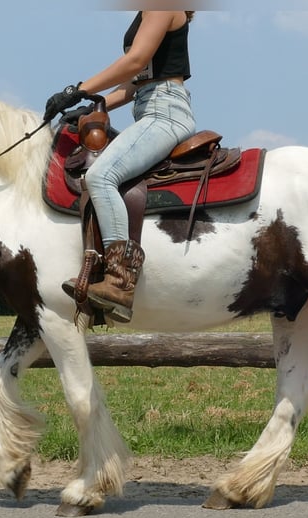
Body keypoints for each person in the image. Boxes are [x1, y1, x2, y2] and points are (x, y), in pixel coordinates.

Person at [43, 10, 197, 323]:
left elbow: (135, 61)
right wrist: (92, 107)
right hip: (150, 106)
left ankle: (119, 281)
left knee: (101, 176)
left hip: (164, 112)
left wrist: (78, 89)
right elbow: (135, 83)